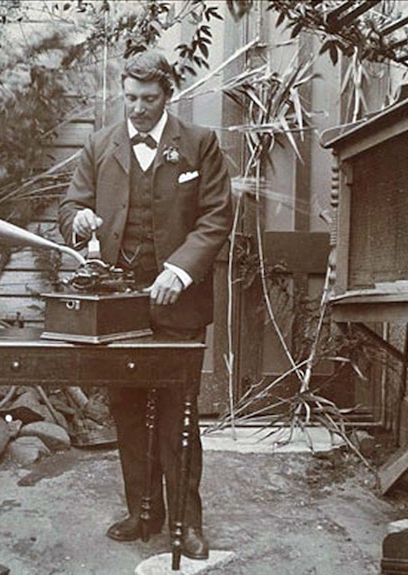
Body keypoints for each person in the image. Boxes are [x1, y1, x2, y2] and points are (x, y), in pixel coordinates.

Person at [58, 51, 232, 559]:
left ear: (168, 95)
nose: (137, 109)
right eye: (130, 98)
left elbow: (217, 216)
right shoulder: (99, 146)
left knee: (179, 416)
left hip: (180, 305)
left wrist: (179, 270)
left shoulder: (200, 145)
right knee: (128, 411)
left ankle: (186, 522)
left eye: (148, 99)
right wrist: (80, 220)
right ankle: (142, 512)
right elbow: (69, 207)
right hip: (117, 308)